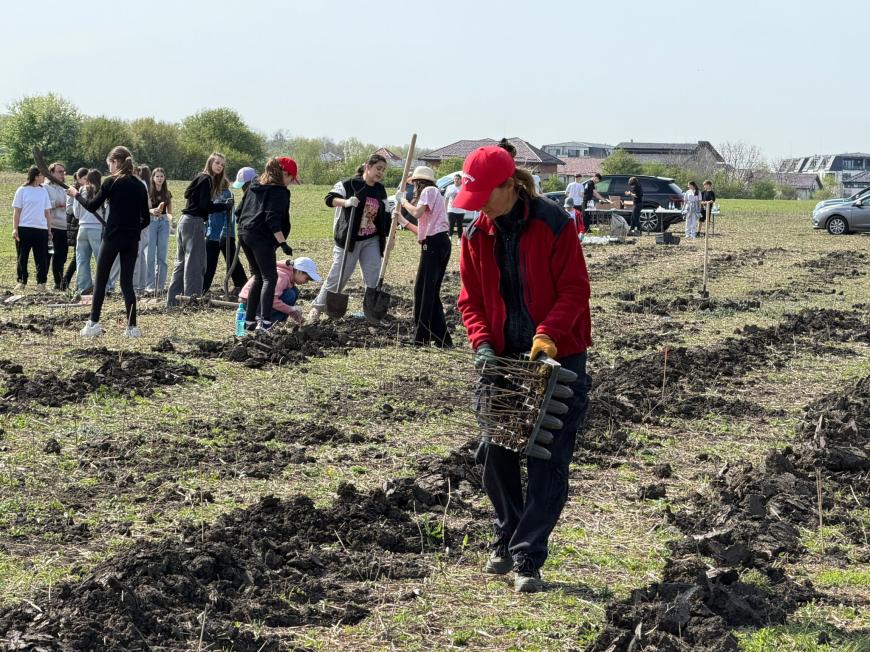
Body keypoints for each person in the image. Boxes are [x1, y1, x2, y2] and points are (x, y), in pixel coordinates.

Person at [454, 145, 592, 593]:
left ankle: (528, 557)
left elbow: (574, 288)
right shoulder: (476, 232)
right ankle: (508, 532)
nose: (480, 207)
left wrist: (548, 332)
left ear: (510, 185)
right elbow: (469, 300)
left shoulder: (554, 223)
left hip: (555, 354)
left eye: (484, 195)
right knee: (497, 449)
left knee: (545, 455)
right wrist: (482, 343)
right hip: (504, 357)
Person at [68, 145, 150, 337]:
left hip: (112, 237)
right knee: (127, 283)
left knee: (101, 280)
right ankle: (132, 328)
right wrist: (132, 229)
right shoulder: (139, 185)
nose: (109, 169)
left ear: (115, 162)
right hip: (132, 240)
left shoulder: (111, 182)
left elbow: (91, 206)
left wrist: (76, 194)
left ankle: (93, 324)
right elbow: (145, 219)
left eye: (110, 164)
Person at [308, 153, 390, 322]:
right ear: (368, 166)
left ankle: (371, 313)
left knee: (373, 275)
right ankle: (317, 308)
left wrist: (391, 218)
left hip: (371, 239)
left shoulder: (380, 189)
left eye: (383, 170)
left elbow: (385, 216)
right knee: (338, 275)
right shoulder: (350, 184)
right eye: (378, 168)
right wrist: (345, 202)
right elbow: (329, 199)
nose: (380, 173)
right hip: (349, 240)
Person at [235, 156, 297, 332]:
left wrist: (245, 229)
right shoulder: (279, 192)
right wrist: (283, 243)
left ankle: (249, 321)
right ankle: (266, 322)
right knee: (271, 278)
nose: (290, 183)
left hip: (244, 233)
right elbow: (272, 219)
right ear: (284, 173)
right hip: (261, 237)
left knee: (258, 276)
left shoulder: (254, 184)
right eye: (290, 178)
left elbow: (239, 211)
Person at [395, 165, 453, 347]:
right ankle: (442, 339)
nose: (413, 189)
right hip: (438, 242)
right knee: (429, 291)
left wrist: (402, 201)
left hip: (435, 244)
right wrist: (401, 220)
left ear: (419, 183)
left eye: (413, 185)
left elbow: (417, 212)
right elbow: (422, 231)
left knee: (424, 292)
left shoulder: (429, 190)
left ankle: (421, 338)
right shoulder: (434, 195)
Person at [166, 153, 231, 306]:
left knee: (181, 264)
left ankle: (172, 302)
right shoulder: (207, 179)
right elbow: (204, 206)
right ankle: (191, 302)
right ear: (210, 162)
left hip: (184, 222)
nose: (219, 166)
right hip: (195, 222)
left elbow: (187, 193)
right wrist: (224, 206)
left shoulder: (199, 177)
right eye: (217, 162)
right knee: (195, 264)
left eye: (222, 165)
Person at [238, 256, 321, 324]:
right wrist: (291, 309)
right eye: (307, 278)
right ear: (299, 272)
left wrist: (300, 320)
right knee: (290, 294)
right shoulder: (282, 276)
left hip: (257, 302)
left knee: (294, 291)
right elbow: (272, 300)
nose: (306, 282)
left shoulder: (288, 276)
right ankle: (266, 322)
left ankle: (273, 320)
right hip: (249, 304)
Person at [11, 166, 52, 292]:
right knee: (22, 256)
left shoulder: (43, 191)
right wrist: (15, 228)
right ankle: (22, 281)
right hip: (24, 228)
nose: (44, 177)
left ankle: (41, 282)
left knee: (41, 258)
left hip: (41, 229)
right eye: (42, 175)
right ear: (35, 176)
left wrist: (49, 230)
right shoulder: (22, 190)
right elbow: (17, 212)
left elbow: (47, 212)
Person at [204, 182, 248, 293]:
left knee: (232, 261)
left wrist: (225, 232)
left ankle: (241, 285)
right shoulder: (210, 194)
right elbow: (208, 215)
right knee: (209, 263)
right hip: (212, 234)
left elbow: (229, 215)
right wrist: (206, 230)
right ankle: (203, 288)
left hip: (225, 235)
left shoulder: (226, 194)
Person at [73, 169, 107, 294]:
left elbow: (76, 213)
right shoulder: (102, 191)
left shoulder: (82, 190)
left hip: (82, 227)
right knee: (101, 259)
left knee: (82, 258)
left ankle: (84, 286)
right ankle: (103, 286)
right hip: (97, 228)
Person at [145, 167, 172, 293]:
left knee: (162, 255)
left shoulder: (167, 193)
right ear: (153, 178)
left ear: (164, 178)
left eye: (162, 176)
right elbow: (145, 209)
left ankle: (160, 285)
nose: (160, 178)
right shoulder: (149, 193)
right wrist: (152, 211)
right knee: (149, 254)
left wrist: (171, 220)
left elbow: (170, 212)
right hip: (151, 222)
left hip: (163, 223)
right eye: (157, 176)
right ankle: (149, 285)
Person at [43, 162, 69, 290]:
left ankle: (58, 283)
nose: (62, 174)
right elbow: (44, 205)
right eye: (59, 171)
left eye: (63, 172)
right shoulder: (45, 187)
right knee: (48, 254)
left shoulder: (64, 188)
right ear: (51, 173)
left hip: (63, 226)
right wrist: (57, 203)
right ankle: (42, 282)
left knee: (61, 256)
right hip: (51, 226)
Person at [63, 167, 88, 290]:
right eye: (84, 178)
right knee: (77, 256)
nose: (86, 180)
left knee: (79, 256)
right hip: (76, 225)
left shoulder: (88, 190)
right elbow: (68, 209)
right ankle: (65, 281)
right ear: (78, 178)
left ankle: (67, 281)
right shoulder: (72, 190)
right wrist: (77, 200)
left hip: (83, 223)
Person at [132, 165, 151, 291]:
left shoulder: (139, 183)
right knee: (141, 254)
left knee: (137, 254)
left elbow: (145, 204)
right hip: (142, 221)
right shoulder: (143, 183)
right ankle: (141, 284)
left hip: (138, 221)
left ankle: (136, 285)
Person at [444, 173, 467, 242]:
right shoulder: (450, 187)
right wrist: (445, 208)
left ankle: (459, 238)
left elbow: (466, 198)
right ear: (453, 180)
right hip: (451, 209)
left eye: (458, 179)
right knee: (451, 223)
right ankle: (449, 236)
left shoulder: (463, 187)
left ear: (461, 180)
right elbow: (446, 198)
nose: (456, 180)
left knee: (460, 224)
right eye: (455, 179)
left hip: (460, 209)